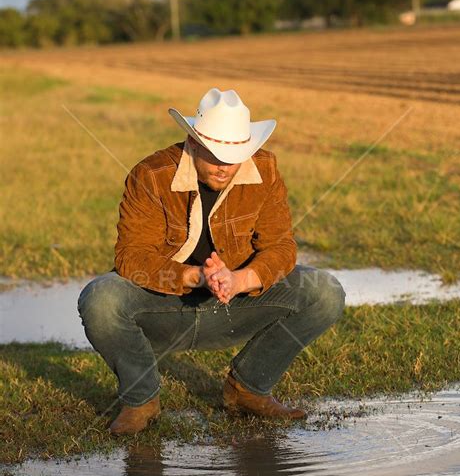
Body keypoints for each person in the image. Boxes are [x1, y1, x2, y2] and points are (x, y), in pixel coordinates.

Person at [77, 87, 346, 435]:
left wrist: (240, 280)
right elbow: (131, 256)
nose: (224, 167)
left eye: (234, 156)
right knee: (100, 298)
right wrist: (196, 277)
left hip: (233, 306)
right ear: (192, 143)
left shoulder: (265, 169)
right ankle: (141, 400)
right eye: (214, 154)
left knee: (324, 291)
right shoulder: (150, 175)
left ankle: (248, 389)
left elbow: (281, 248)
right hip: (165, 309)